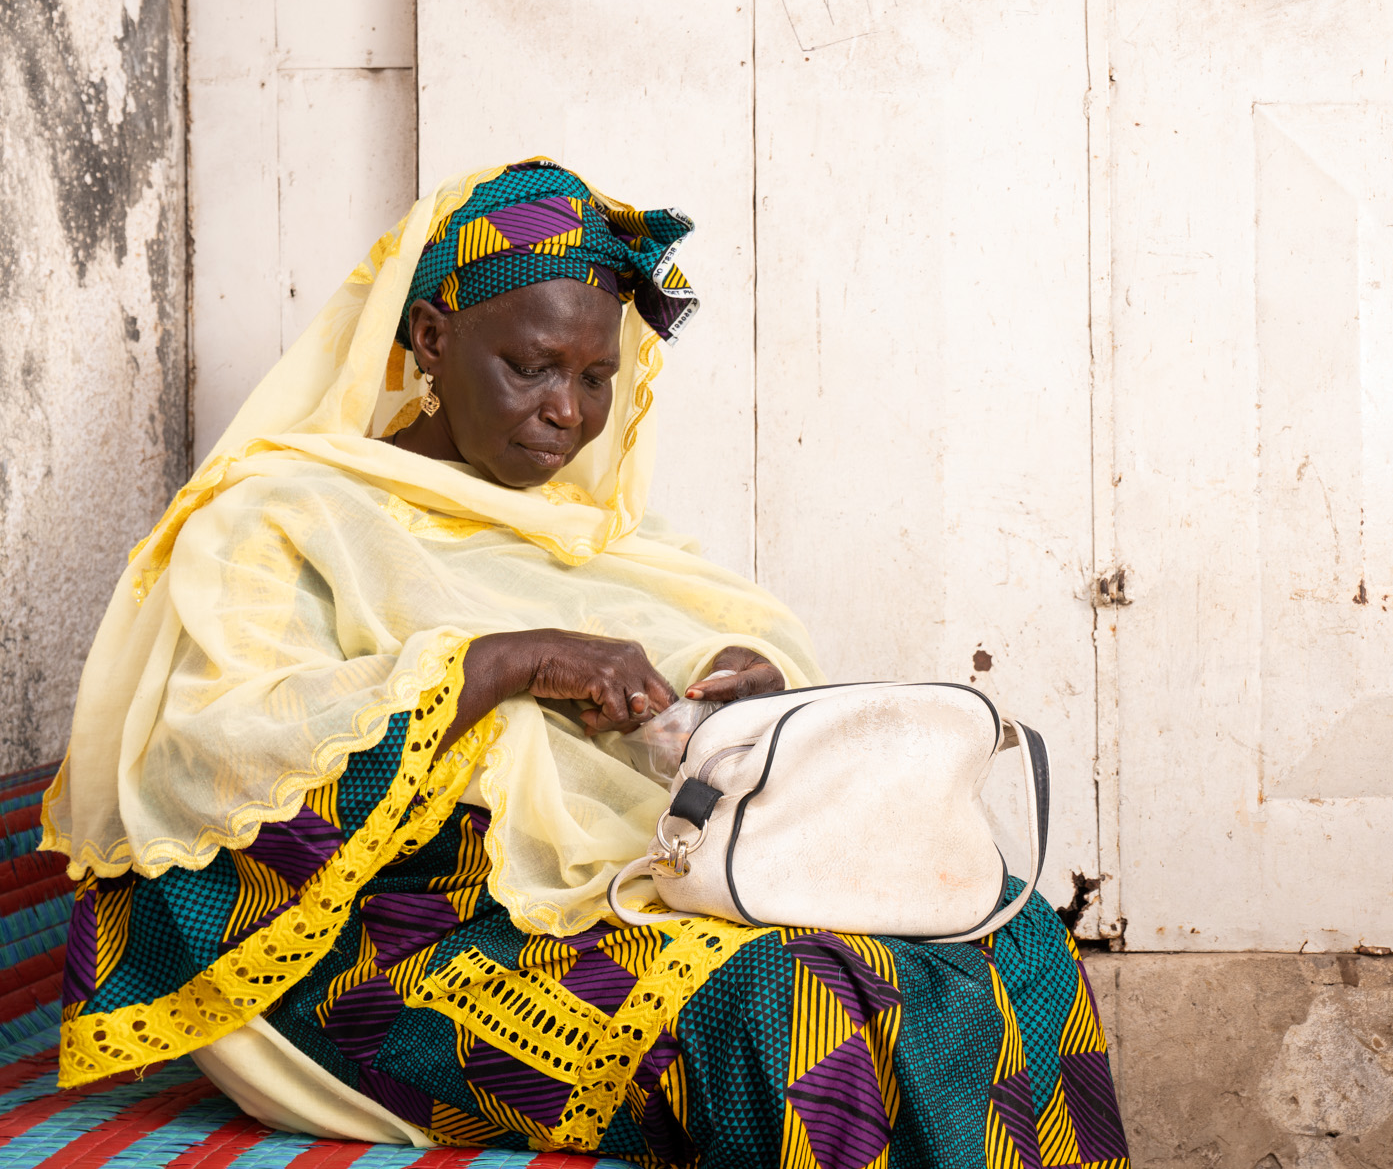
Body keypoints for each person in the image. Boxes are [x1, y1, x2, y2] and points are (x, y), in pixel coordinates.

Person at [41, 159, 1128, 1168]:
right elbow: (210, 759)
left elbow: (692, 639)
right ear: (429, 334)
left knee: (1006, 941)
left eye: (595, 376)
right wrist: (510, 661)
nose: (567, 410)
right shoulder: (282, 516)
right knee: (777, 999)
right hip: (388, 958)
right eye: (530, 366)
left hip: (616, 894)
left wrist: (734, 680)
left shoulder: (579, 530)